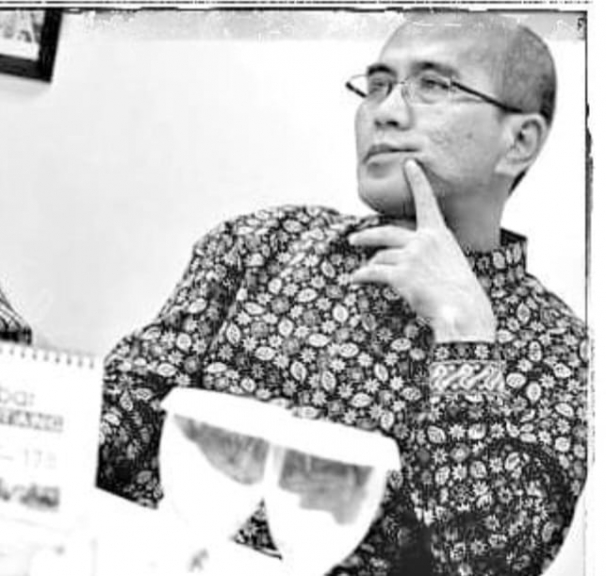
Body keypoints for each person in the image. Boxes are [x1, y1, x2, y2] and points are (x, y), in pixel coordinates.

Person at [96, 11, 588, 576]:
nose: (386, 111)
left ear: (518, 142)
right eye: (377, 85)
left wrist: (463, 336)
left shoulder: (561, 352)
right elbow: (112, 421)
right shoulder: (260, 244)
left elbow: (487, 565)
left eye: (433, 85)